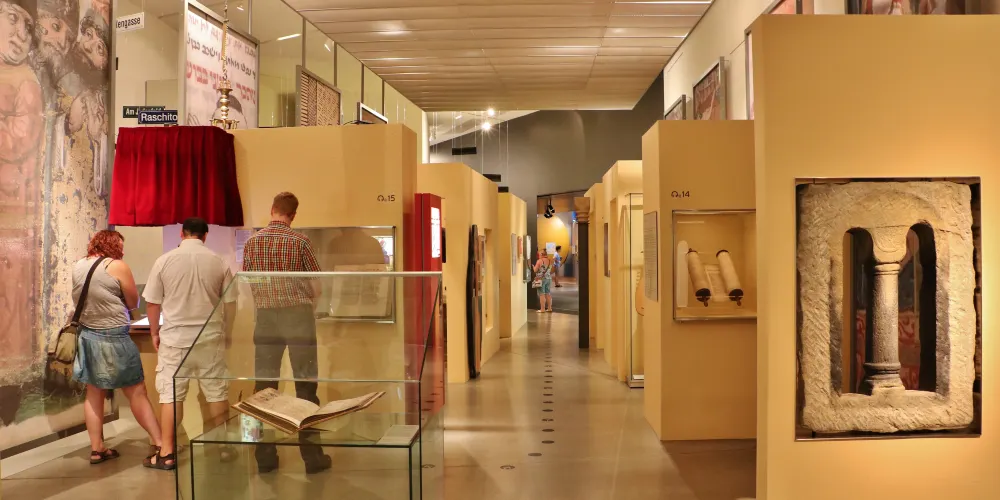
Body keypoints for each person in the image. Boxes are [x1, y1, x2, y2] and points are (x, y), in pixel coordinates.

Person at [242, 192, 331, 474]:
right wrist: (307, 303)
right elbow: (316, 286)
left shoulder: (252, 242)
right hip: (298, 316)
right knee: (306, 386)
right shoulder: (301, 241)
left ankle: (263, 456)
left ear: (272, 210)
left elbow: (249, 281)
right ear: (293, 215)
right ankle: (312, 457)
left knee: (263, 388)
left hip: (265, 317)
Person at [142, 218, 237, 470]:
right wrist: (228, 332)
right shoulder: (218, 262)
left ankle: (167, 453)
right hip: (210, 338)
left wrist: (154, 332)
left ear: (182, 234)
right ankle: (223, 447)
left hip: (175, 340)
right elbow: (230, 303)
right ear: (205, 236)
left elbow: (152, 302)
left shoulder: (164, 261)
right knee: (216, 392)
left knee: (171, 394)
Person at [71, 230, 163, 466]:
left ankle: (97, 448)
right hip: (114, 337)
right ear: (113, 245)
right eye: (121, 246)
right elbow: (133, 302)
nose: (123, 251)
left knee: (94, 393)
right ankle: (160, 443)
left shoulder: (78, 266)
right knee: (136, 391)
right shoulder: (117, 266)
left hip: (87, 335)